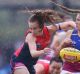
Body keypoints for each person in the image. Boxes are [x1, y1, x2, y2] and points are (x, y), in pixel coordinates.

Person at [10, 13, 76, 74]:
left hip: (30, 64)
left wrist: (77, 28)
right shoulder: (30, 36)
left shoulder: (49, 29)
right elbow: (33, 53)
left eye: (34, 28)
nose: (32, 31)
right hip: (19, 60)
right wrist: (43, 51)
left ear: (41, 26)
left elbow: (69, 23)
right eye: (30, 28)